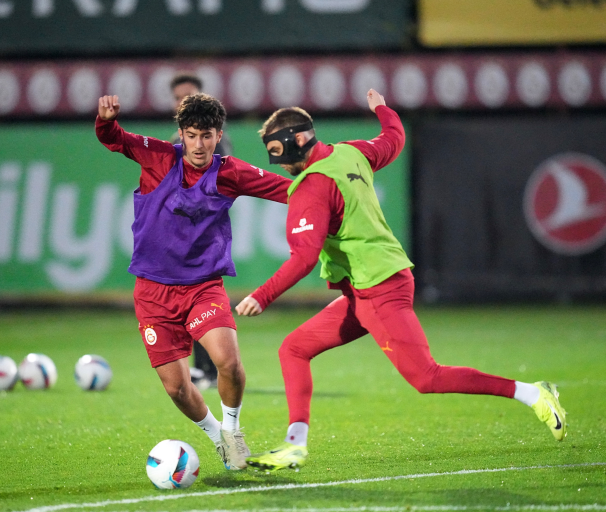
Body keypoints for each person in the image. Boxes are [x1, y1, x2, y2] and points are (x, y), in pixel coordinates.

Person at [235, 89, 567, 471]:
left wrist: (263, 294)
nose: (279, 165)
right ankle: (295, 444)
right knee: (293, 348)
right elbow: (394, 138)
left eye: (277, 153)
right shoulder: (349, 152)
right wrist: (382, 108)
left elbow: (305, 257)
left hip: (378, 288)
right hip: (370, 286)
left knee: (426, 377)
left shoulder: (311, 186)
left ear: (295, 142)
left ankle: (532, 393)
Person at [96, 92, 292, 470]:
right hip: (152, 292)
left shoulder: (230, 171)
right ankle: (216, 435)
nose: (199, 145)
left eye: (207, 135)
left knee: (228, 363)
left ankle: (233, 433)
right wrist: (105, 120)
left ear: (219, 136)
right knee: (177, 388)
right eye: (191, 135)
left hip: (203, 287)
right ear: (181, 134)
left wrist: (327, 187)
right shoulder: (157, 156)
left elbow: (287, 191)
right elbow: (114, 138)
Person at [169, 72, 233, 390]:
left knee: (204, 301)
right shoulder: (170, 148)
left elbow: (227, 179)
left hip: (205, 238)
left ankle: (210, 369)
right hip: (176, 242)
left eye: (189, 94)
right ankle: (202, 369)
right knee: (185, 306)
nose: (183, 99)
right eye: (179, 96)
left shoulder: (215, 142)